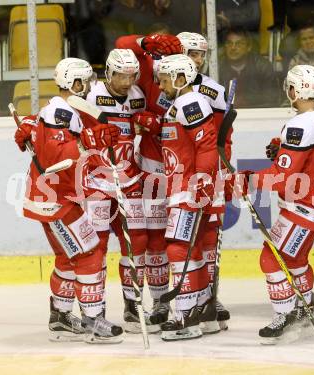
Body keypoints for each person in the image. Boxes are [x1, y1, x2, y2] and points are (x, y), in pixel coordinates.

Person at [13, 57, 123, 344]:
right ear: (74, 83)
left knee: (67, 256)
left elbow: (46, 136)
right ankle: (93, 318)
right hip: (56, 200)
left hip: (55, 197)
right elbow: (55, 158)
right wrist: (90, 141)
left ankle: (61, 317)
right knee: (89, 252)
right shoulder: (60, 113)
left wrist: (28, 125)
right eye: (85, 82)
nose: (89, 87)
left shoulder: (61, 110)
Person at [242, 65, 314, 343]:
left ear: (295, 90)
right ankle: (304, 305)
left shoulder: (299, 126)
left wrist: (248, 179)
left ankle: (285, 314)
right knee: (295, 260)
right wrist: (285, 151)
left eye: (289, 86)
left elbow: (280, 178)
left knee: (271, 257)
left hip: (304, 206)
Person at [84, 48, 165, 333]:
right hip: (96, 181)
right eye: (121, 75)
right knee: (97, 246)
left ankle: (132, 305)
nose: (127, 81)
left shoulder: (137, 97)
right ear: (108, 72)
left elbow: (144, 127)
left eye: (132, 75)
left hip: (128, 178)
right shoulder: (90, 95)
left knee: (137, 240)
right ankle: (96, 311)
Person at [116, 33, 182, 325]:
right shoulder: (148, 79)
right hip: (145, 170)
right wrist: (146, 41)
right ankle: (132, 303)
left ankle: (160, 303)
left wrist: (158, 124)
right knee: (139, 240)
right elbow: (121, 45)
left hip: (174, 174)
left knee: (159, 243)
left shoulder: (191, 89)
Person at [156, 54, 221, 341]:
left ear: (180, 79)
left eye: (164, 80)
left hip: (190, 189)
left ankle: (185, 315)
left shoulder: (189, 103)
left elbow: (206, 146)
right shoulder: (180, 104)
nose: (160, 86)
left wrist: (203, 181)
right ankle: (203, 310)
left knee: (180, 249)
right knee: (192, 249)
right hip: (184, 187)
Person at [176, 31, 231, 331]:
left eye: (201, 54)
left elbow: (223, 138)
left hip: (206, 172)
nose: (197, 59)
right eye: (191, 53)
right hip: (169, 173)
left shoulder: (214, 90)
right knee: (175, 241)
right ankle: (175, 299)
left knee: (208, 237)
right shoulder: (165, 82)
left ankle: (209, 297)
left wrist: (222, 169)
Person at [219, 27, 279, 108]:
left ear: (248, 47)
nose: (233, 48)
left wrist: (246, 100)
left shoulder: (262, 66)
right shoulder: (217, 67)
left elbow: (273, 97)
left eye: (239, 43)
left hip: (256, 115)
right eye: (229, 43)